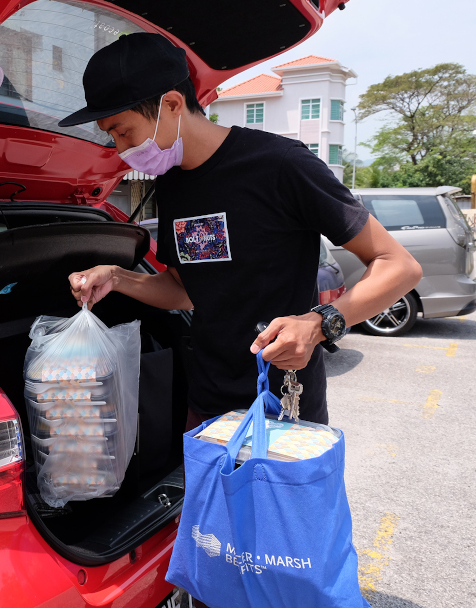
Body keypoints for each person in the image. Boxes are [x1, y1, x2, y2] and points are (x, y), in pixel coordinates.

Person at [60, 32, 421, 429]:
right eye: (111, 136)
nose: (119, 147)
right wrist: (116, 277)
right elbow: (184, 290)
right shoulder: (173, 184)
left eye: (123, 131)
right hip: (208, 402)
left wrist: (319, 325)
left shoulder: (281, 165)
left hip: (284, 405)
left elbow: (398, 265)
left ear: (172, 104)